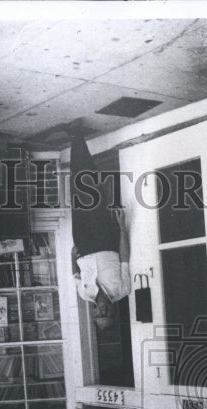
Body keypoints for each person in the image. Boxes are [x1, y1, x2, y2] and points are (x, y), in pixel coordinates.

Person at [69, 132, 130, 331]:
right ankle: (79, 138)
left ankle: (74, 141)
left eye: (98, 315)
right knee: (93, 192)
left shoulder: (84, 294)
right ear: (114, 313)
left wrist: (72, 258)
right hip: (106, 239)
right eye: (106, 315)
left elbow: (76, 274)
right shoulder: (123, 289)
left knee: (78, 193)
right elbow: (124, 259)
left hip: (83, 244)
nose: (101, 311)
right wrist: (121, 228)